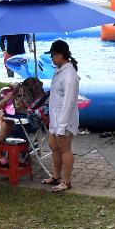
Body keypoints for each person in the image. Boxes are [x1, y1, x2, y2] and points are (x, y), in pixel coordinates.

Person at [42, 39, 79, 193]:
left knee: (65, 149)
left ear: (61, 55)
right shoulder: (60, 71)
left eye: (53, 55)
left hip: (65, 120)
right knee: (54, 146)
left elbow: (69, 102)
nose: (51, 58)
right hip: (55, 119)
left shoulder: (69, 75)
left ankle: (66, 181)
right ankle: (56, 176)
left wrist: (62, 125)